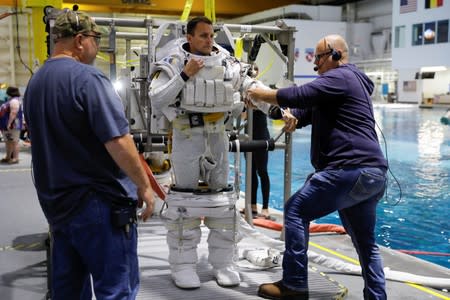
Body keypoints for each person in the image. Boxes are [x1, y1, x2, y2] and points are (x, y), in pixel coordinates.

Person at [23, 10, 155, 299]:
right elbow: (118, 140)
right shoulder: (89, 79)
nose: (97, 48)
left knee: (68, 292)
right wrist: (144, 186)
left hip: (57, 206)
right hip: (99, 206)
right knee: (116, 291)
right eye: (96, 39)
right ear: (80, 41)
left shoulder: (35, 84)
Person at [248, 34, 388, 300]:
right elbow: (304, 111)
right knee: (366, 244)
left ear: (335, 55)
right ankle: (377, 297)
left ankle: (295, 284)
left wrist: (259, 92)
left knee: (296, 209)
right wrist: (291, 119)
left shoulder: (342, 76)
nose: (316, 67)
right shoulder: (343, 85)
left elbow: (301, 95)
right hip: (373, 175)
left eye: (318, 59)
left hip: (349, 170)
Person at [148, 16, 274, 289]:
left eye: (212, 35)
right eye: (203, 35)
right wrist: (185, 74)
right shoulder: (174, 62)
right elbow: (157, 99)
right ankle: (182, 265)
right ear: (189, 37)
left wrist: (275, 107)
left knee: (224, 203)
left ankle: (224, 263)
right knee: (184, 202)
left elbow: (250, 88)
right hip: (186, 137)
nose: (209, 40)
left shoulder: (227, 61)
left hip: (217, 136)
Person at [242, 64, 274, 220]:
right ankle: (252, 205)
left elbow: (267, 107)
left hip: (261, 137)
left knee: (262, 171)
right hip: (249, 136)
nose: (251, 73)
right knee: (251, 173)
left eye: (254, 70)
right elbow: (241, 116)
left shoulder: (261, 91)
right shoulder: (244, 92)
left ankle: (266, 208)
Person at [0, 86, 23, 164]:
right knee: (8, 141)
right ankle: (8, 157)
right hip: (7, 126)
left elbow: (13, 113)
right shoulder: (11, 100)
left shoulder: (14, 101)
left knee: (14, 141)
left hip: (13, 125)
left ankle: (15, 158)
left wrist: (9, 123)